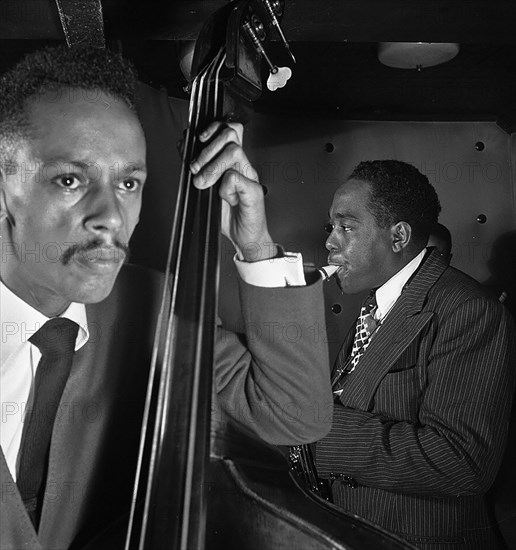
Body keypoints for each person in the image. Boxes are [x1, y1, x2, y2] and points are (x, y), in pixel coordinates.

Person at [0, 46, 331, 548]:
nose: (110, 217)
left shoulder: (153, 306)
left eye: (129, 182)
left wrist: (255, 244)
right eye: (70, 179)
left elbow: (293, 414)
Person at [315, 160, 516, 549]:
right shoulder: (380, 303)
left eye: (347, 227)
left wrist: (312, 429)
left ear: (399, 236)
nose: (330, 242)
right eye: (332, 227)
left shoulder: (469, 310)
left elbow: (461, 463)